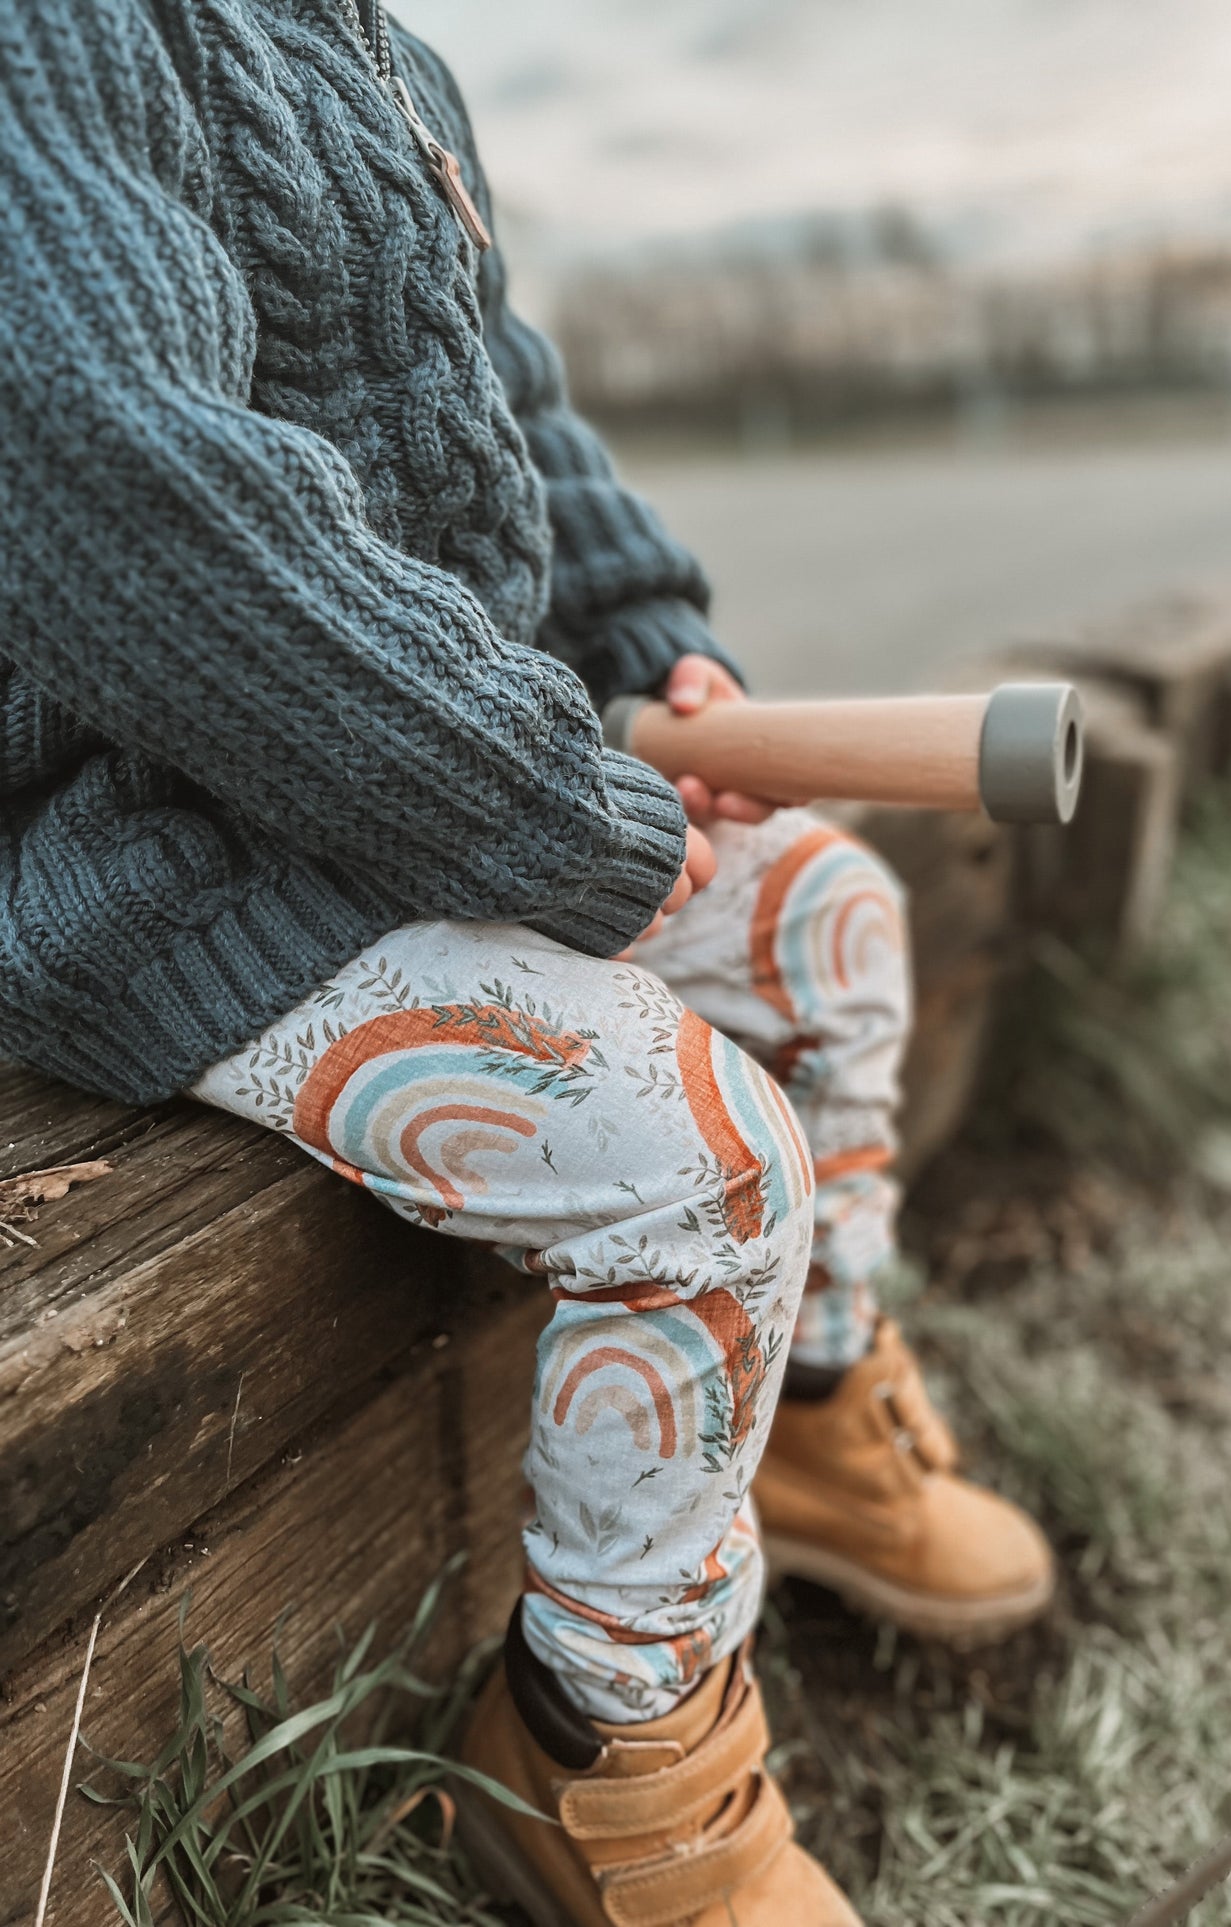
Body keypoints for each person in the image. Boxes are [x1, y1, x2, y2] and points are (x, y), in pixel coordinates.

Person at [0, 4, 1052, 1920]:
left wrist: (644, 642)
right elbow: (124, 478)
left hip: (425, 790)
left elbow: (502, 402)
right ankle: (592, 1751)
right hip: (172, 849)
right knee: (701, 1158)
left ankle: (807, 1421)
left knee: (833, 925)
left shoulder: (378, 49)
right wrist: (541, 812)